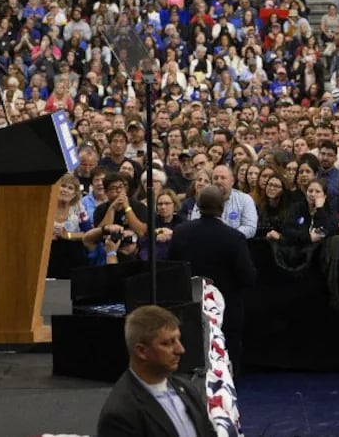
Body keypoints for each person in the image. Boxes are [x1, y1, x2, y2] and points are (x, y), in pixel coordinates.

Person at [169, 184, 257, 373]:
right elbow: (247, 276)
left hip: (190, 308)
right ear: (222, 207)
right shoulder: (234, 238)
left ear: (198, 206)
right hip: (227, 312)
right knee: (228, 355)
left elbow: (172, 269)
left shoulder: (180, 232)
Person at [95, 304, 215, 437]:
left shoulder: (188, 390)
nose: (180, 350)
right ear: (141, 351)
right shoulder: (120, 414)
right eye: (168, 343)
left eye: (178, 339)